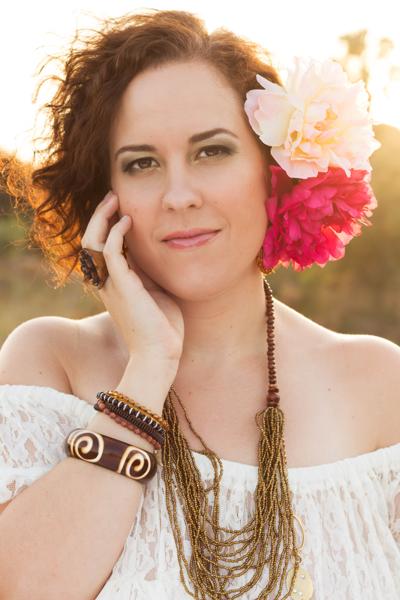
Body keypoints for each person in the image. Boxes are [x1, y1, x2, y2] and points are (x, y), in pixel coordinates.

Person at [0, 8, 399, 600]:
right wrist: (148, 369)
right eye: (141, 163)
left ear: (274, 172)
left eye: (211, 152)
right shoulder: (53, 359)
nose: (179, 195)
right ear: (107, 198)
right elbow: (26, 589)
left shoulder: (379, 380)